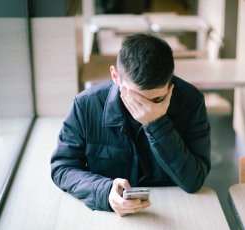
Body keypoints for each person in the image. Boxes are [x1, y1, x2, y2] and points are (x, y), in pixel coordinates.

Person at [51, 33, 211, 217]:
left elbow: (194, 180)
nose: (146, 107)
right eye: (137, 98)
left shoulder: (191, 101)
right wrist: (105, 191)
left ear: (170, 82)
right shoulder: (86, 105)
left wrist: (157, 124)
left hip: (174, 211)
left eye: (157, 99)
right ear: (115, 76)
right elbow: (62, 168)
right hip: (108, 216)